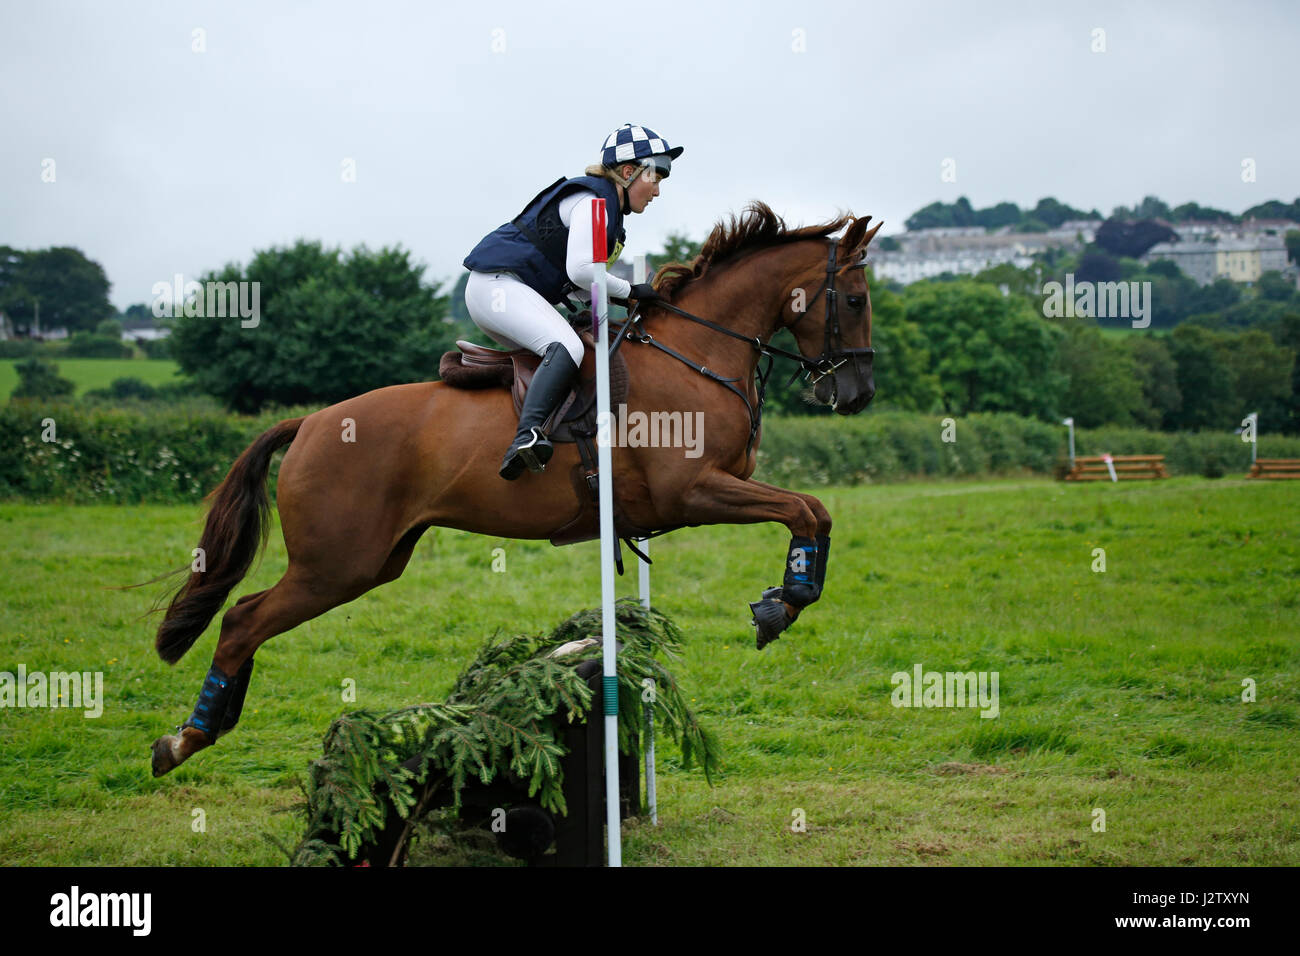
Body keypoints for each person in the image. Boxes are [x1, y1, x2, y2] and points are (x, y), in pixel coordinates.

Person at [463, 123, 683, 480]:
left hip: (506, 290)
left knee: (575, 353)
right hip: (498, 287)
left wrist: (626, 299)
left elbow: (578, 285)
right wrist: (630, 291)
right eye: (654, 179)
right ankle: (527, 435)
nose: (657, 191)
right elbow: (583, 271)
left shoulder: (606, 207)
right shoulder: (595, 201)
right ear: (628, 172)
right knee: (567, 346)